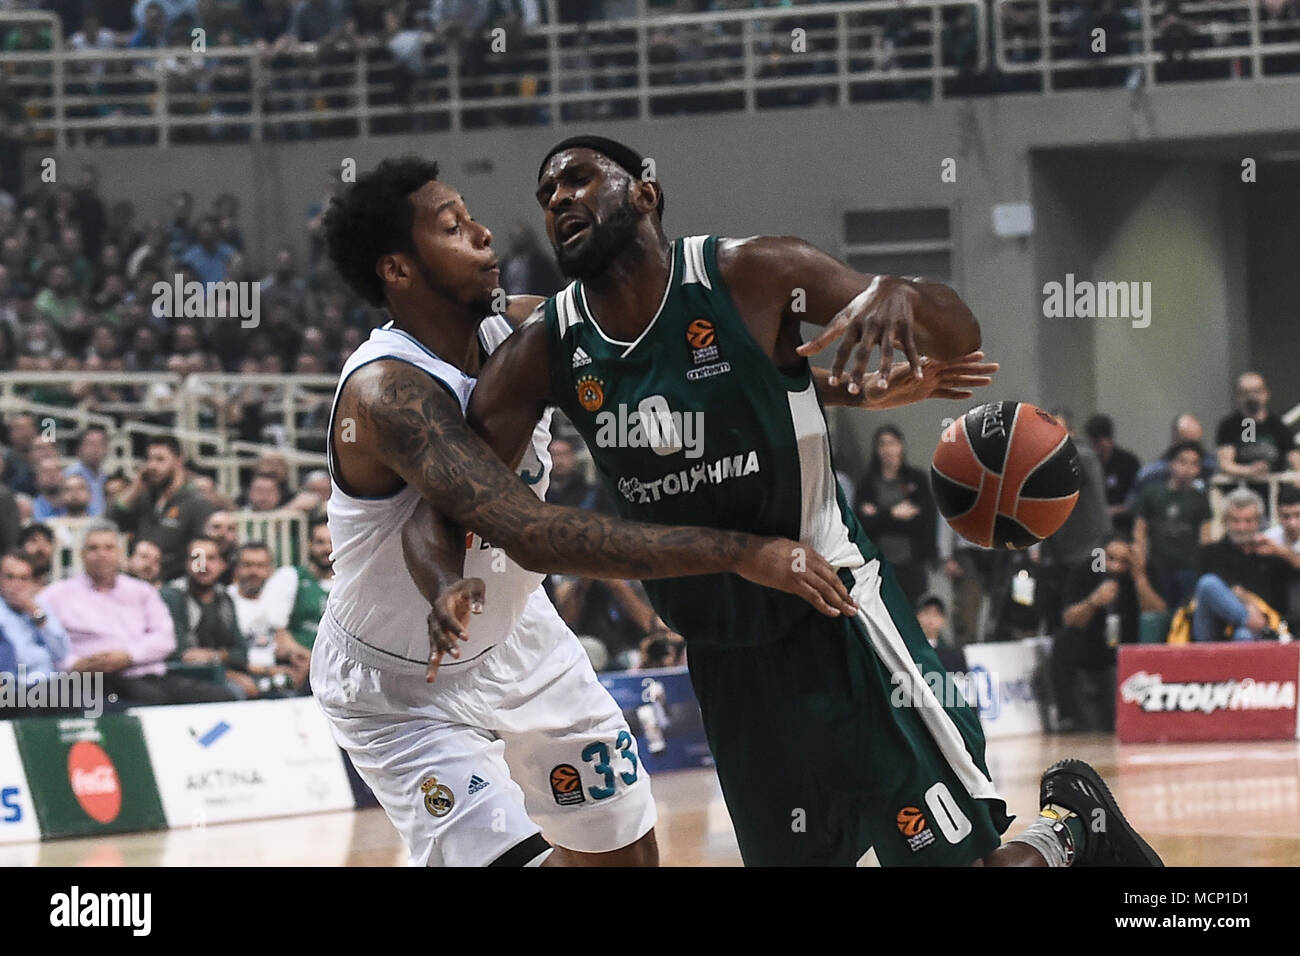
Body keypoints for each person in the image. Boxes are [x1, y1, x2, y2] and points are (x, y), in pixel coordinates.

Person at [465, 135, 1157, 867]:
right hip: (726, 660)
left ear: (646, 192)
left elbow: (957, 333)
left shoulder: (752, 273)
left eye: (578, 180)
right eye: (546, 195)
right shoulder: (550, 344)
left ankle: (1070, 829)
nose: (559, 200)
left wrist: (904, 293)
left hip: (839, 622)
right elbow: (467, 479)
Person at [314, 156, 855, 869]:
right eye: (451, 227)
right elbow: (530, 531)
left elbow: (691, 360)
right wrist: (738, 550)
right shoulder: (388, 394)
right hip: (400, 686)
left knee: (625, 859)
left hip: (521, 638)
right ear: (399, 270)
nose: (482, 232)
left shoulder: (530, 328)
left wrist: (855, 386)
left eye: (470, 215)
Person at [41, 522, 235, 705]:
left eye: (109, 548)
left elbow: (165, 639)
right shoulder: (56, 596)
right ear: (82, 554)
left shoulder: (142, 591)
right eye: (93, 548)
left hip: (144, 672)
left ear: (120, 554)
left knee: (222, 697)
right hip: (88, 679)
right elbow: (43, 643)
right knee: (146, 699)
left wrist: (128, 656)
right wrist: (74, 665)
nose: (101, 555)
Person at [1052, 535, 1165, 732]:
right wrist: (1093, 601)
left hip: (1130, 644)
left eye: (1123, 561)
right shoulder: (1085, 571)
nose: (1115, 566)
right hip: (1093, 643)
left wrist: (1140, 579)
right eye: (1110, 559)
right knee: (1063, 640)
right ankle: (1068, 716)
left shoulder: (1144, 571)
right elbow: (1069, 619)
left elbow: (1158, 612)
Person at [160, 536, 258, 700]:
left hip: (220, 675)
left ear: (222, 564)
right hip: (180, 679)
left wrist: (214, 657)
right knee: (233, 693)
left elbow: (241, 654)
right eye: (196, 558)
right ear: (186, 564)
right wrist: (227, 667)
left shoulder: (225, 599)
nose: (203, 564)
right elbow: (178, 654)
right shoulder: (172, 597)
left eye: (211, 558)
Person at [107, 436, 216, 581]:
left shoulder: (197, 502)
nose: (152, 466)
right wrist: (135, 487)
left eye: (160, 459)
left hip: (177, 584)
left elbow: (202, 549)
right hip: (140, 581)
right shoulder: (144, 498)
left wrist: (196, 582)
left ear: (178, 461)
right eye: (149, 459)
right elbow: (110, 522)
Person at [1192, 488, 1295, 642]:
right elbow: (1199, 597)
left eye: (1248, 521)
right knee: (1208, 584)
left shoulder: (1271, 556)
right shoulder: (1210, 553)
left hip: (1254, 633)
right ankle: (1248, 620)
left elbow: (1278, 605)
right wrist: (1242, 603)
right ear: (1225, 521)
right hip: (1212, 631)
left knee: (1244, 635)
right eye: (1235, 521)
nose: (1242, 528)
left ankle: (1254, 626)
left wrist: (1280, 552)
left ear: (1258, 522)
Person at [853, 424, 937, 607]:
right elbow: (863, 524)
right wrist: (893, 514)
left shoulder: (915, 479)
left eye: (892, 443)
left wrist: (879, 516)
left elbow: (924, 520)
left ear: (901, 446)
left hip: (912, 562)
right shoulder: (868, 483)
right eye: (883, 444)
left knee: (914, 611)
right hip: (879, 563)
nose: (888, 449)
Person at [1132, 440, 1212, 609]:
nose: (1187, 469)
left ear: (1198, 469)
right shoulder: (1151, 493)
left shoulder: (1200, 498)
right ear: (1171, 463)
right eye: (1182, 462)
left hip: (1188, 568)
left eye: (1193, 464)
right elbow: (1139, 532)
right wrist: (1140, 565)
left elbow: (1206, 538)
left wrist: (1205, 567)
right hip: (1157, 567)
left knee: (1184, 616)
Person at [0, 551, 71, 716]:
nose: (16, 584)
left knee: (88, 703)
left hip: (47, 684)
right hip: (11, 687)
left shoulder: (40, 607)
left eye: (23, 578)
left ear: (32, 581)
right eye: (10, 577)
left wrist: (34, 612)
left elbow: (61, 653)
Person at [1216, 372, 1300, 511]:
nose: (1251, 396)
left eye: (1256, 391)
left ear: (1266, 393)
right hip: (1239, 501)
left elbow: (1295, 460)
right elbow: (1225, 464)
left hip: (1273, 500)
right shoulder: (1229, 426)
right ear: (1238, 396)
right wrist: (1249, 471)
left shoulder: (1278, 426)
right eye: (1246, 392)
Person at [230, 542, 306, 693]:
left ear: (270, 570)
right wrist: (269, 670)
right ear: (236, 569)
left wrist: (298, 654)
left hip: (275, 672)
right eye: (247, 565)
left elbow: (281, 637)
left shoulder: (276, 599)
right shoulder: (226, 600)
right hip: (242, 673)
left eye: (260, 566)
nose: (254, 572)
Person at [1085, 414, 1141, 532]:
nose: (1097, 449)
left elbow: (1135, 499)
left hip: (1121, 526)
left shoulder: (1128, 463)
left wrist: (1111, 511)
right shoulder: (1087, 464)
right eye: (1094, 444)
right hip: (1092, 528)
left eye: (1100, 444)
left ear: (1109, 440)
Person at [286, 517, 334, 651]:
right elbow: (279, 633)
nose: (327, 548)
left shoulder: (352, 582)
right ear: (309, 544)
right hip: (299, 660)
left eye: (332, 542)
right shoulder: (292, 576)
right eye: (320, 542)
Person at [1262, 484, 1300, 623]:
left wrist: (1280, 551)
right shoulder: (1270, 536)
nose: (1292, 523)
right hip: (1277, 599)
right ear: (1278, 514)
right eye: (1286, 516)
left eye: (1297, 515)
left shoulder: (1271, 543)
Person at [64, 425, 109, 516]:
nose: (96, 449)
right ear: (79, 449)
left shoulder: (106, 477)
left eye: (100, 444)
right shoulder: (69, 475)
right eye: (91, 444)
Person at [916, 594, 965, 672]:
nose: (930, 619)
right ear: (917, 616)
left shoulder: (952, 656)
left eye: (935, 614)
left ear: (943, 620)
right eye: (926, 612)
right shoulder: (907, 650)